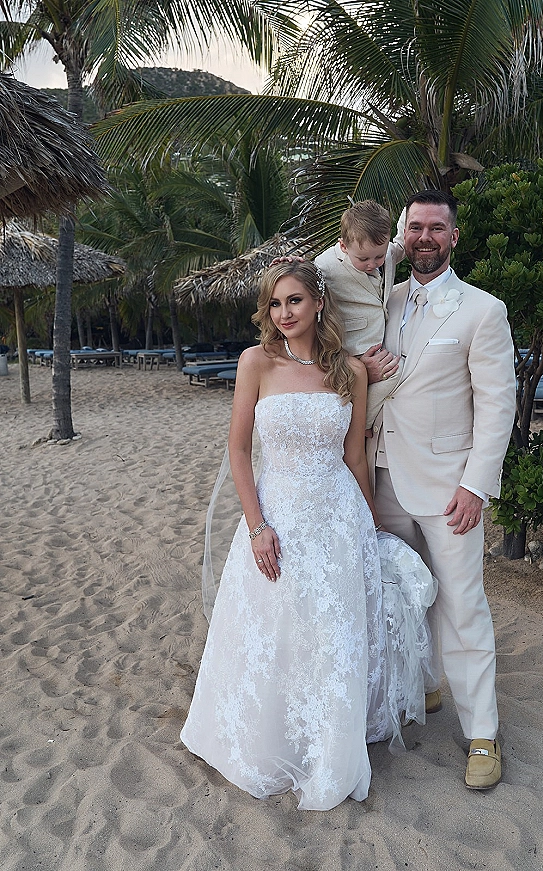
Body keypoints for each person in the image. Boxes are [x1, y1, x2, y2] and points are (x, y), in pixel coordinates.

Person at [180, 260, 436, 811]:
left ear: (318, 303)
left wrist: (370, 526)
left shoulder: (350, 370)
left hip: (338, 516)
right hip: (278, 512)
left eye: (294, 301)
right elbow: (239, 450)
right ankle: (272, 737)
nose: (284, 313)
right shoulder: (256, 362)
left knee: (331, 630)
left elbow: (353, 459)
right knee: (278, 624)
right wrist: (257, 528)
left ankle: (329, 742)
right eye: (275, 304)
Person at [365, 190, 516, 789]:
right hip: (380, 479)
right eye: (415, 228)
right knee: (402, 593)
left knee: (462, 607)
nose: (424, 237)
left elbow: (497, 405)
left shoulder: (483, 310)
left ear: (454, 237)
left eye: (436, 228)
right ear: (403, 236)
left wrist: (476, 485)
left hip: (450, 486)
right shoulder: (382, 298)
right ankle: (423, 688)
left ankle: (482, 734)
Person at [315, 200, 405, 428]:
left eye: (379, 257)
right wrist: (292, 264)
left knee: (394, 374)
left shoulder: (386, 253)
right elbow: (303, 279)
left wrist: (410, 209)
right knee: (392, 374)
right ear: (343, 246)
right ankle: (359, 425)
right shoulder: (325, 264)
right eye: (363, 259)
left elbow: (401, 245)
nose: (372, 264)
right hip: (348, 349)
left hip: (375, 344)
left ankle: (360, 424)